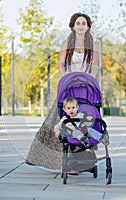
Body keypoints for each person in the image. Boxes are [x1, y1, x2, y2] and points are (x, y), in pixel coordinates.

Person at [26, 13, 99, 170]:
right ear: (73, 25)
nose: (80, 25)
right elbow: (61, 64)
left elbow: (95, 66)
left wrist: (88, 80)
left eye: (83, 23)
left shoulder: (94, 44)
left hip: (85, 88)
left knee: (85, 120)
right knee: (59, 120)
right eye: (78, 23)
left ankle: (81, 161)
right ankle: (58, 160)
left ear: (88, 26)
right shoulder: (66, 43)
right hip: (70, 86)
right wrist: (68, 78)